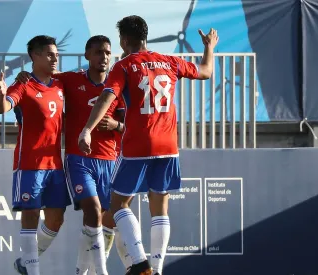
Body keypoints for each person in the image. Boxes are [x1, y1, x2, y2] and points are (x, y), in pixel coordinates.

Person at [78, 15, 219, 275]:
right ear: (146, 36)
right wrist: (209, 46)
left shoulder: (125, 65)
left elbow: (108, 97)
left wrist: (87, 129)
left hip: (138, 144)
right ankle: (157, 268)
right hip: (168, 145)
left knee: (118, 204)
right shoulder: (170, 61)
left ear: (124, 39)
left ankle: (141, 262)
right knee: (160, 208)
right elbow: (206, 72)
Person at [15, 35, 128, 275]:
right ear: (87, 56)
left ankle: (65, 267)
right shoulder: (70, 79)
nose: (103, 57)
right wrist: (21, 76)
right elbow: (41, 79)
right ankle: (100, 271)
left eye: (107, 52)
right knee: (93, 211)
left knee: (101, 220)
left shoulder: (117, 86)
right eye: (98, 52)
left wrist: (116, 126)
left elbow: (131, 125)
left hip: (110, 160)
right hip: (79, 159)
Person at [0, 35, 72, 275]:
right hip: (30, 162)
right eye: (49, 54)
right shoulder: (24, 84)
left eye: (56, 55)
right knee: (30, 215)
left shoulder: (60, 84)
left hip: (55, 164)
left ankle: (26, 261)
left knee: (56, 220)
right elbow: (2, 107)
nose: (55, 59)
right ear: (34, 56)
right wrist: (1, 93)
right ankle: (33, 269)